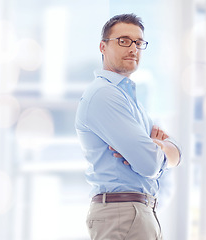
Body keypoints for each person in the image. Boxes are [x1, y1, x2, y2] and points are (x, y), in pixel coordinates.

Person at [75, 13, 181, 240]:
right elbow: (148, 163)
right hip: (122, 215)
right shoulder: (105, 95)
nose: (133, 48)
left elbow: (175, 153)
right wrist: (159, 150)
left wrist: (158, 146)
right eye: (123, 40)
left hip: (139, 212)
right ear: (103, 47)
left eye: (138, 42)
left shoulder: (131, 101)